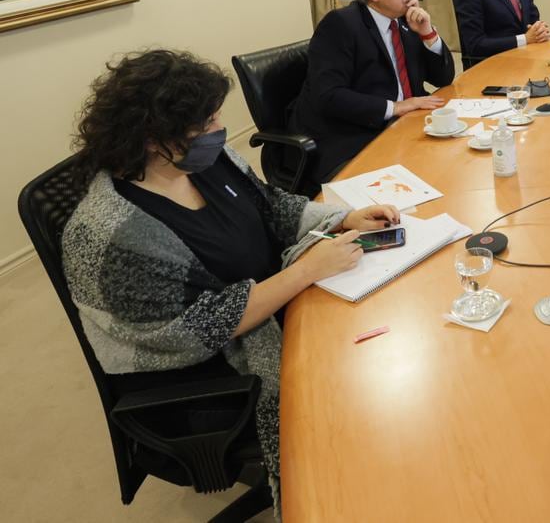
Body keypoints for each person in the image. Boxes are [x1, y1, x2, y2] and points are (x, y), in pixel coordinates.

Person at [62, 50, 398, 505]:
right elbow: (201, 327)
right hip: (202, 380)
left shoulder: (204, 161)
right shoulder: (111, 235)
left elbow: (272, 206)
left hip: (272, 304)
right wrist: (305, 271)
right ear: (150, 138)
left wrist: (343, 217)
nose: (218, 129)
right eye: (204, 123)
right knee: (362, 403)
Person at [290, 0, 455, 185]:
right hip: (357, 134)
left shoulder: (404, 22)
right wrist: (395, 107)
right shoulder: (341, 25)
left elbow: (443, 78)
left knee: (455, 161)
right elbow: (328, 96)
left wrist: (428, 34)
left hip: (408, 124)